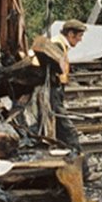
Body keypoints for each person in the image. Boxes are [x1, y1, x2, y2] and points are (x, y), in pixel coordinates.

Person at [32, 19, 86, 154]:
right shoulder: (57, 44)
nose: (80, 40)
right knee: (68, 130)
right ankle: (80, 163)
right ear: (71, 34)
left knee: (60, 129)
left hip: (55, 90)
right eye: (79, 36)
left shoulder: (60, 44)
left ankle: (69, 158)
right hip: (52, 91)